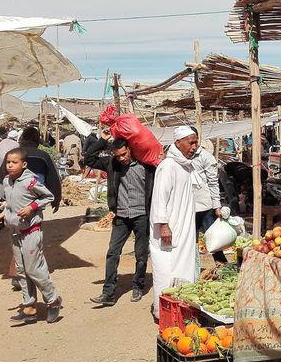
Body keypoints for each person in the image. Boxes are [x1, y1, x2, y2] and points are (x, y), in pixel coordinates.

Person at [0, 148, 62, 323]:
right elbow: (13, 202)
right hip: (15, 232)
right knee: (21, 271)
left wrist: (32, 207)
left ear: (24, 164)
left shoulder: (30, 181)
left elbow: (48, 196)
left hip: (31, 232)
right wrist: (4, 213)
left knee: (34, 269)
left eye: (14, 162)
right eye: (8, 162)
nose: (9, 165)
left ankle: (53, 300)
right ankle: (29, 307)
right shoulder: (8, 182)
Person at [85, 136, 155, 306]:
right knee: (112, 252)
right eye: (118, 156)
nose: (122, 159)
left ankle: (138, 285)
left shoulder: (146, 166)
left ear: (130, 149)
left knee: (140, 254)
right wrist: (102, 140)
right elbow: (89, 158)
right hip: (122, 216)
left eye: (124, 154)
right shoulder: (112, 164)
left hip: (141, 216)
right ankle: (108, 292)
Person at [149, 126, 199, 319]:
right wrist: (163, 226)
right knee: (166, 270)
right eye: (191, 142)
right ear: (178, 143)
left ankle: (181, 309)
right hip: (170, 229)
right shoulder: (168, 166)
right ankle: (162, 312)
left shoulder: (185, 165)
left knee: (182, 268)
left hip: (183, 228)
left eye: (196, 142)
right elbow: (160, 198)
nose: (194, 147)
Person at [0, 127, 61, 211]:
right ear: (37, 141)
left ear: (22, 138)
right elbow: (53, 179)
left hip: (14, 196)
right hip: (35, 198)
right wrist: (56, 199)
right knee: (33, 222)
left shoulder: (12, 154)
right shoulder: (44, 156)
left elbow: (2, 176)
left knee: (12, 220)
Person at [192, 132, 225, 264]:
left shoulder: (206, 157)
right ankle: (193, 269)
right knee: (190, 241)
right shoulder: (181, 157)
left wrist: (217, 205)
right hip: (188, 205)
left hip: (205, 205)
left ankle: (222, 266)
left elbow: (213, 182)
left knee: (213, 239)